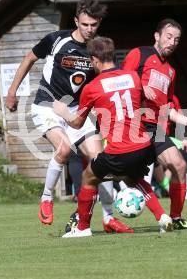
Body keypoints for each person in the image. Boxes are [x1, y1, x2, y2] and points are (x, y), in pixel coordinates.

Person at [5, 0, 132, 233]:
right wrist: (12, 92)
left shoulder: (97, 51)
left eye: (94, 25)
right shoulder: (56, 40)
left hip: (77, 111)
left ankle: (108, 218)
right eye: (85, 24)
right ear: (76, 21)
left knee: (99, 163)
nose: (89, 29)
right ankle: (46, 198)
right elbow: (28, 58)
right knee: (63, 150)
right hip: (48, 104)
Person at [53, 36, 174, 237]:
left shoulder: (92, 87)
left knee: (88, 177)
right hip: (143, 146)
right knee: (133, 178)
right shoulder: (133, 77)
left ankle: (82, 228)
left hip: (120, 150)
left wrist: (62, 111)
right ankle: (162, 216)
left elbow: (77, 123)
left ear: (94, 59)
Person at [121, 18, 187, 230]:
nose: (173, 42)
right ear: (156, 36)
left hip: (155, 129)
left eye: (177, 39)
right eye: (169, 37)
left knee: (180, 165)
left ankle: (175, 217)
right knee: (120, 176)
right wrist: (138, 86)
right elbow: (120, 80)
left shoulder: (171, 72)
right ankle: (80, 218)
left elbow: (166, 107)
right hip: (132, 125)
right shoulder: (139, 54)